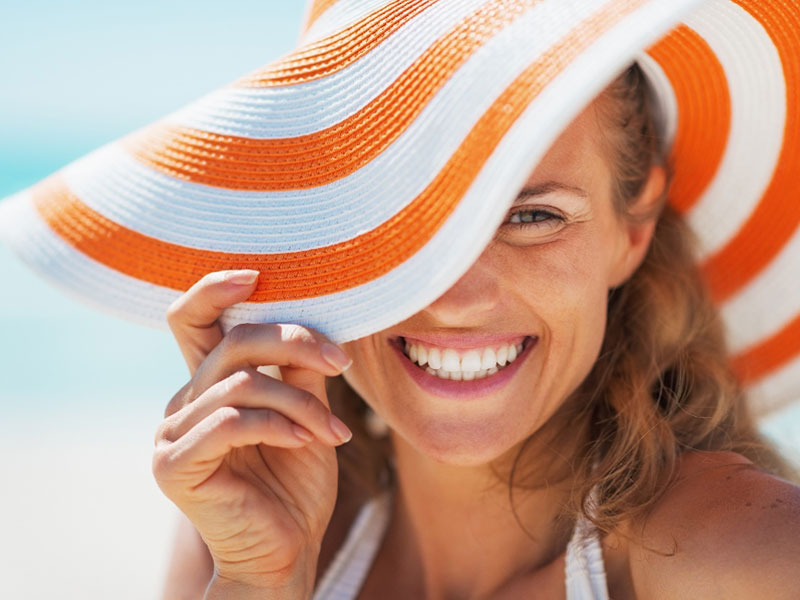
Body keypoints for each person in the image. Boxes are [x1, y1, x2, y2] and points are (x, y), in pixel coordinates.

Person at [1, 1, 799, 599]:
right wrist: (259, 583)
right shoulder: (244, 532)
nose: (452, 299)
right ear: (326, 241)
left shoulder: (737, 555)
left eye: (531, 216)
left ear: (633, 227)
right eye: (402, 223)